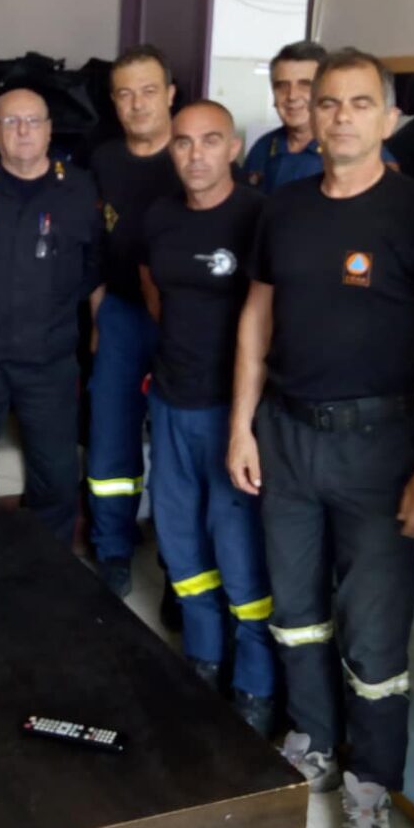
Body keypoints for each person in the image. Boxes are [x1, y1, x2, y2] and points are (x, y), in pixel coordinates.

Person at [228, 48, 414, 828]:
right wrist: (241, 426)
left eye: (359, 103)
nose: (340, 116)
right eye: (327, 102)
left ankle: (370, 789)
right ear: (310, 113)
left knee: (373, 634)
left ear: (389, 117)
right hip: (286, 435)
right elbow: (256, 321)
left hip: (377, 448)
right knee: (295, 611)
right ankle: (314, 744)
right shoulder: (284, 209)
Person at [139, 100, 274, 736]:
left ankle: (254, 684)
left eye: (210, 140)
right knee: (179, 539)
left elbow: (274, 315)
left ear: (234, 147)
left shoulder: (260, 217)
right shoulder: (161, 216)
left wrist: (250, 417)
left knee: (238, 546)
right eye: (184, 142)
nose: (196, 155)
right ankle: (203, 659)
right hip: (170, 400)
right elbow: (152, 283)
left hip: (232, 411)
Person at [0, 88, 101, 543]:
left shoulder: (79, 188)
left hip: (50, 359)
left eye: (33, 121)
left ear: (49, 131)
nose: (23, 130)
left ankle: (48, 565)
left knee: (55, 472)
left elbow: (94, 264)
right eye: (11, 122)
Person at [85, 44, 184, 597]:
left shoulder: (193, 155)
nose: (137, 104)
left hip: (186, 323)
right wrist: (99, 317)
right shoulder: (102, 161)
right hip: (121, 313)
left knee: (178, 448)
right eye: (125, 94)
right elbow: (93, 246)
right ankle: (113, 550)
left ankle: (180, 568)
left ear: (170, 94)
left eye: (148, 91)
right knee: (110, 439)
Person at [242, 41, 327, 193]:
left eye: (305, 85)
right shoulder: (262, 147)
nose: (292, 96)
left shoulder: (345, 149)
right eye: (282, 86)